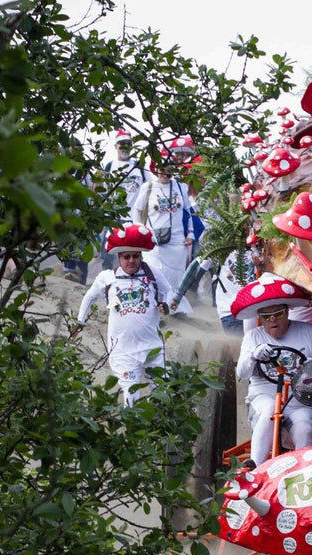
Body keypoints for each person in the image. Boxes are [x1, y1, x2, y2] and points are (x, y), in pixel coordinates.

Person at [74, 224, 174, 406]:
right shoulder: (107, 277)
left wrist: (165, 304)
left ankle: (162, 430)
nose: (131, 261)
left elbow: (168, 291)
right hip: (123, 352)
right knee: (131, 396)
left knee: (162, 392)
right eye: (126, 256)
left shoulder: (152, 274)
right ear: (119, 257)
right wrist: (80, 321)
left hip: (152, 347)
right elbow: (89, 297)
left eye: (135, 256)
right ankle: (135, 430)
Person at [233, 275, 312, 465]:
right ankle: (255, 468)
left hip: (303, 399)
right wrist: (253, 355)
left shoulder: (311, 332)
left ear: (287, 311)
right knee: (270, 410)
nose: (273, 321)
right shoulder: (253, 337)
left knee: (303, 426)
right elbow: (242, 374)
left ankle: (306, 473)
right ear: (260, 318)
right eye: (266, 317)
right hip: (265, 396)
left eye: (277, 314)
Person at [131, 151, 195, 315]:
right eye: (161, 168)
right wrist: (140, 231)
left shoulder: (180, 187)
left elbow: (189, 213)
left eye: (169, 168)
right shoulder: (148, 187)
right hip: (154, 242)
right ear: (155, 169)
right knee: (154, 274)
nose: (165, 172)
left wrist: (190, 234)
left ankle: (172, 310)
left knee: (174, 280)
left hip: (177, 243)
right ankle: (152, 310)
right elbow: (137, 211)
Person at [97, 129, 149, 270]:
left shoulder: (139, 167)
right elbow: (104, 193)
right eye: (122, 143)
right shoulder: (109, 167)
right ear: (115, 146)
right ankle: (107, 282)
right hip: (114, 219)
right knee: (107, 254)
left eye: (128, 143)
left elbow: (149, 189)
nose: (125, 147)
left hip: (135, 219)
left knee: (136, 254)